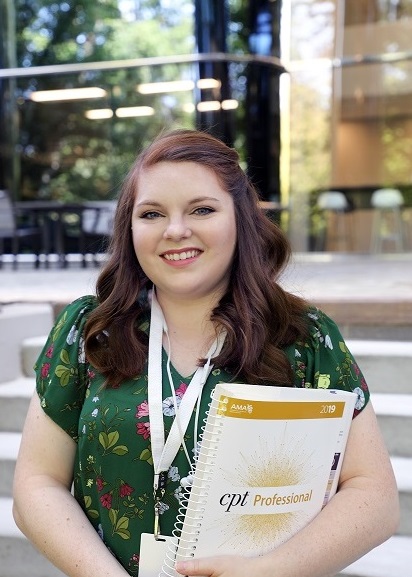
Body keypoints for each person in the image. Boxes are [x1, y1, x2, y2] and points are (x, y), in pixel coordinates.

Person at [13, 129, 399, 577]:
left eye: (201, 209)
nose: (176, 230)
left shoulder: (304, 338)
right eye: (152, 213)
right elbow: (36, 485)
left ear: (240, 220)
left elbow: (375, 497)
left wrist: (270, 570)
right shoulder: (89, 332)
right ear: (130, 228)